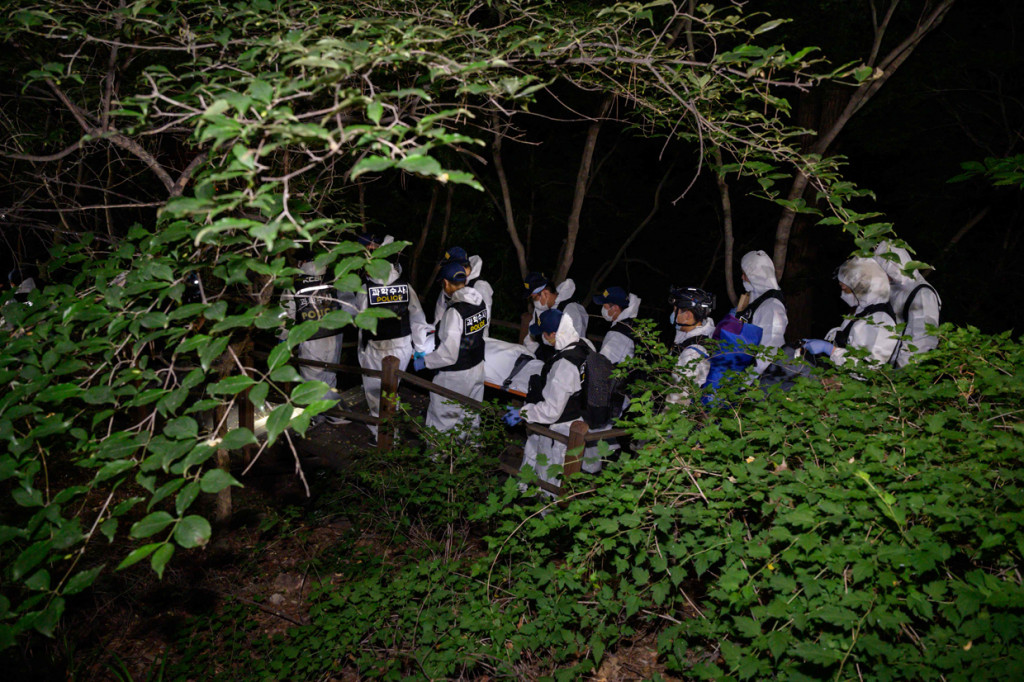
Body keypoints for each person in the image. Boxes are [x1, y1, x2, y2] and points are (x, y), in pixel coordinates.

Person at [503, 309, 596, 496]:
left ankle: (547, 514)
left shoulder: (564, 365)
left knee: (550, 480)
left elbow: (552, 410)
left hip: (560, 430)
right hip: (579, 418)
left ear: (554, 334)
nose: (543, 338)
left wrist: (523, 412)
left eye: (544, 334)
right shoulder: (584, 345)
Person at [353, 234, 431, 439]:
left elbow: (358, 320)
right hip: (402, 345)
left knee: (374, 392)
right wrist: (420, 348)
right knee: (392, 390)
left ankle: (381, 437)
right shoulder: (405, 287)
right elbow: (418, 317)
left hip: (375, 347)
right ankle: (392, 434)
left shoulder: (365, 289)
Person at [282, 254, 356, 426]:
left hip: (311, 337)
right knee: (329, 377)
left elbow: (286, 316)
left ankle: (339, 413)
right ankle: (321, 415)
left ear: (302, 262)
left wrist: (282, 338)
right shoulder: (334, 278)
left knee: (311, 380)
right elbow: (350, 306)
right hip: (335, 335)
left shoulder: (295, 284)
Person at [415, 261, 489, 432]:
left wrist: (425, 362)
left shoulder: (455, 312)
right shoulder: (480, 302)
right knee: (470, 416)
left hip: (455, 376)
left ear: (446, 283)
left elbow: (448, 354)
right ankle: (467, 454)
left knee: (442, 418)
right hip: (477, 368)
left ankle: (437, 458)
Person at [802, 257, 899, 368]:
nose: (842, 294)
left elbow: (869, 369)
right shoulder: (861, 310)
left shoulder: (881, 320)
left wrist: (831, 350)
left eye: (844, 289)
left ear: (860, 288)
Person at [873, 241, 941, 366]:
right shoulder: (892, 289)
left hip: (904, 370)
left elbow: (923, 340)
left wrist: (902, 371)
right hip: (884, 367)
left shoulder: (922, 293)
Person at [735, 250, 788, 374]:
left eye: (745, 274)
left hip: (758, 381)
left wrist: (746, 382)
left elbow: (769, 352)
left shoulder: (772, 307)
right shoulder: (756, 301)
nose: (742, 277)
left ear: (756, 275)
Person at [666, 287, 716, 406]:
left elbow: (678, 400)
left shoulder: (692, 353)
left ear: (687, 315)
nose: (673, 314)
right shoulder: (699, 338)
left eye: (675, 310)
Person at [522, 272, 589, 362]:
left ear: (545, 293)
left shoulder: (570, 309)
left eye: (534, 298)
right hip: (543, 360)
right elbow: (531, 336)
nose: (533, 302)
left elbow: (575, 343)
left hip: (565, 361)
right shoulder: (540, 309)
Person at [431, 247, 493, 336]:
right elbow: (439, 313)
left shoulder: (480, 287)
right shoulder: (449, 282)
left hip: (472, 341)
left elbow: (483, 320)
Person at [592, 286, 642, 365]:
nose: (603, 309)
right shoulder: (629, 325)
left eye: (605, 307)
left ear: (615, 308)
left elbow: (603, 366)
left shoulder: (619, 333)